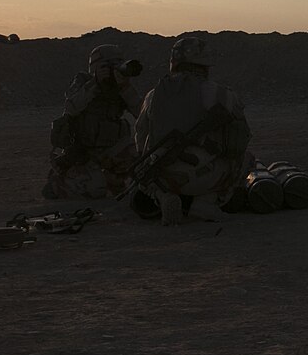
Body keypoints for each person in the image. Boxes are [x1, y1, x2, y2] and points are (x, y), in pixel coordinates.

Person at [130, 33, 254, 224]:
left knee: (142, 168)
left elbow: (140, 135)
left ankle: (164, 198)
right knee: (246, 158)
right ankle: (206, 203)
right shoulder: (221, 93)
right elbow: (241, 135)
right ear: (204, 65)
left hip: (161, 177)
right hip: (202, 176)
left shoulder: (153, 95)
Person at [42, 43, 142, 198]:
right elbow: (71, 107)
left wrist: (125, 88)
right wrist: (95, 83)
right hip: (85, 153)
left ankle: (113, 180)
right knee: (96, 190)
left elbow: (141, 113)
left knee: (139, 155)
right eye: (109, 66)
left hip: (111, 149)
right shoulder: (84, 82)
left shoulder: (121, 88)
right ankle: (60, 182)